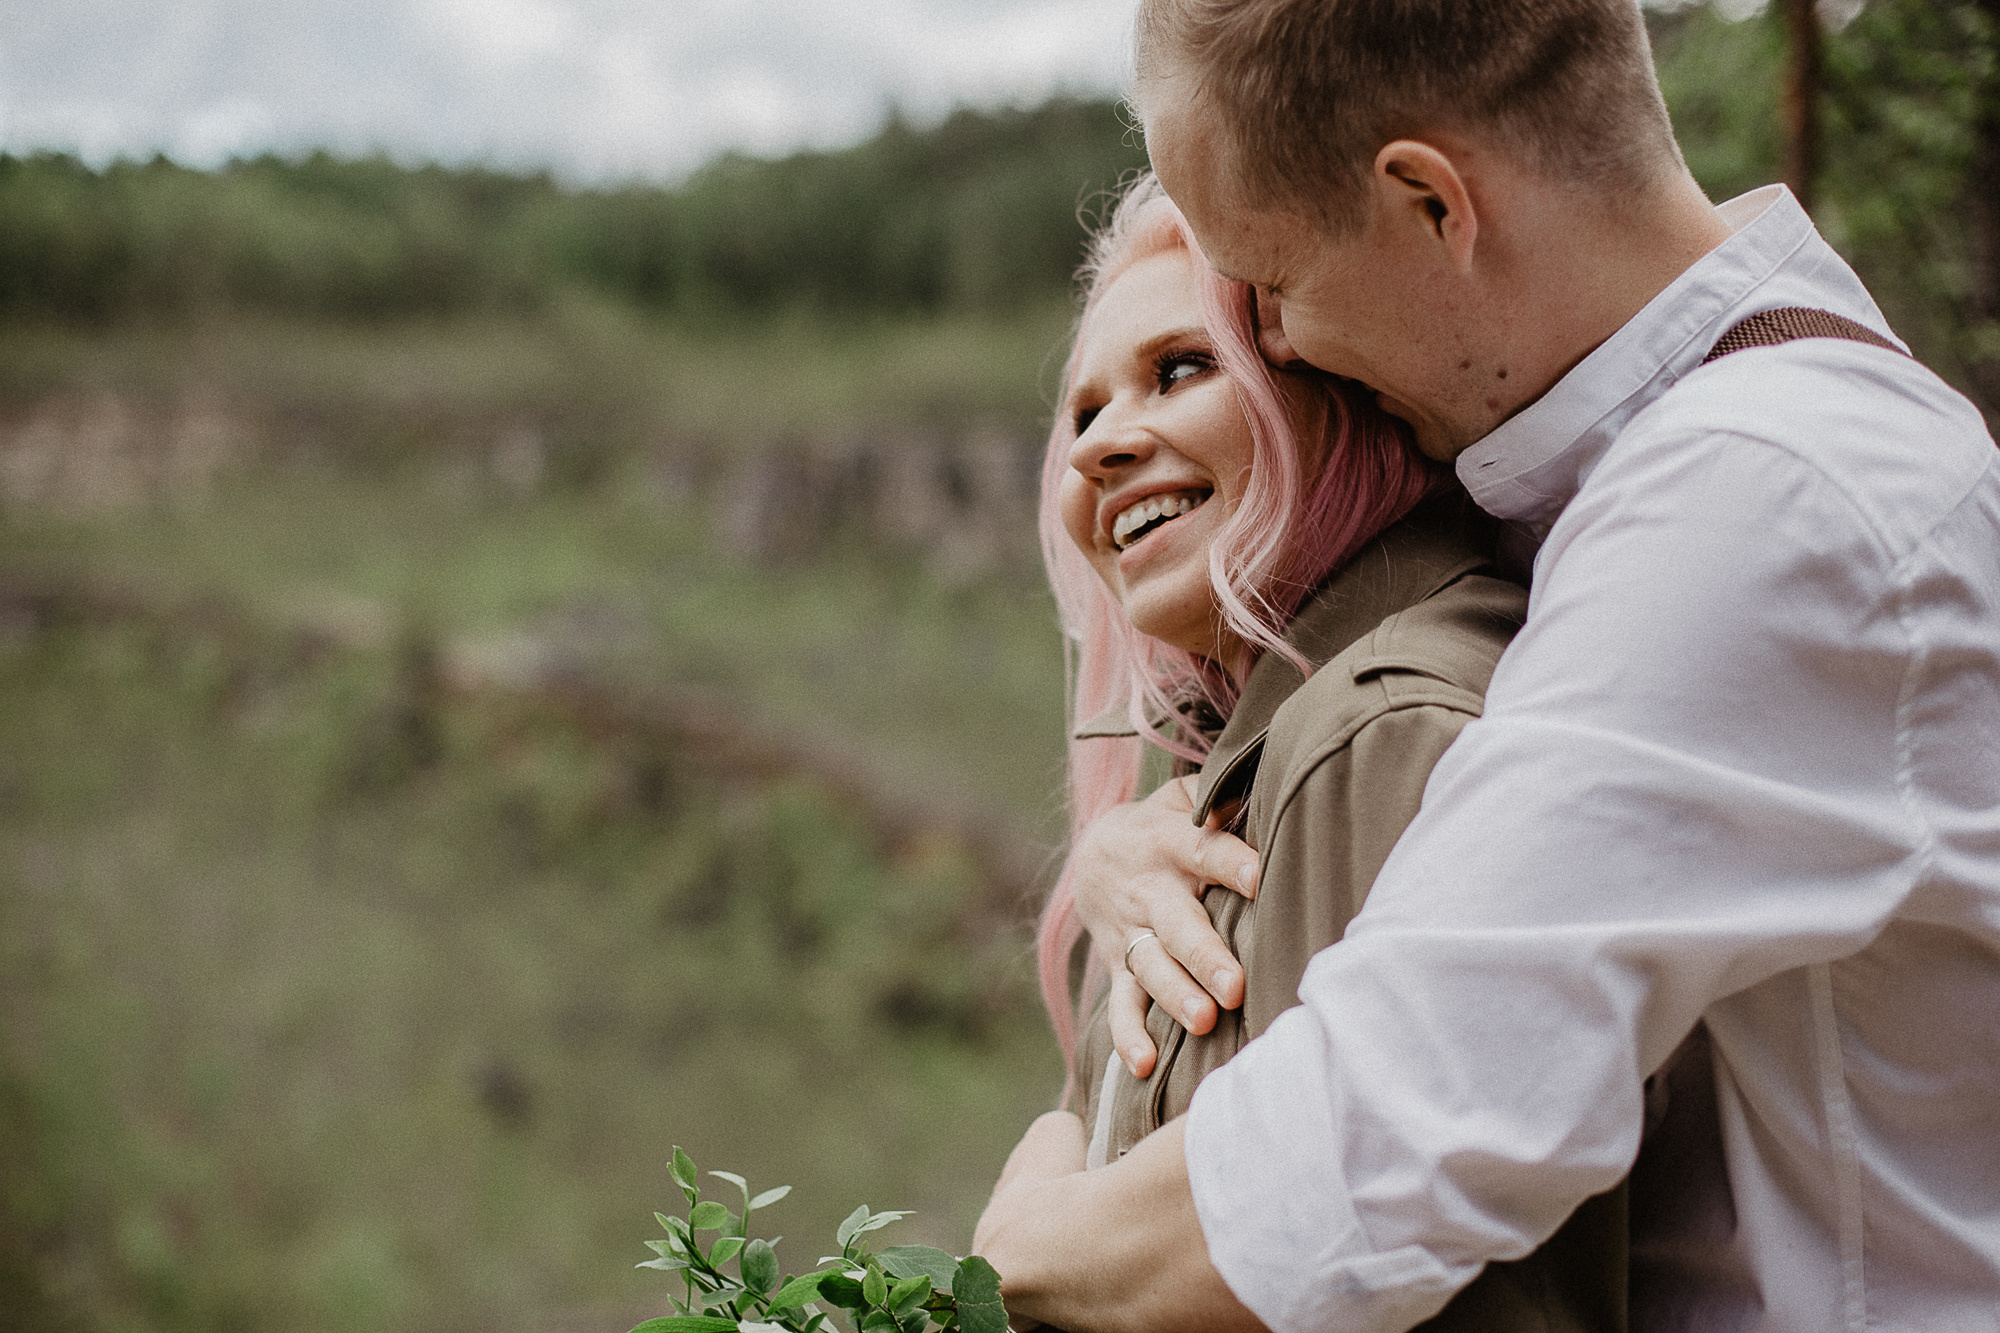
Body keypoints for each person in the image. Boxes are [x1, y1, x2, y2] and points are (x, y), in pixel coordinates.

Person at [975, 2, 2000, 1332]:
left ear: (1431, 206)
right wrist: (1156, 828)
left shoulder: (1755, 500)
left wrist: (1011, 1244)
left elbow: (1373, 1149)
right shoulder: (1654, 457)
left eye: (1272, 285)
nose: (1282, 347)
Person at [1030, 172, 1625, 1332]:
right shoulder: (1243, 766)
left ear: (1333, 397)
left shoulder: (1379, 729)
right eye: (1083, 413)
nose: (1102, 446)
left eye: (1180, 368)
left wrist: (1017, 1239)